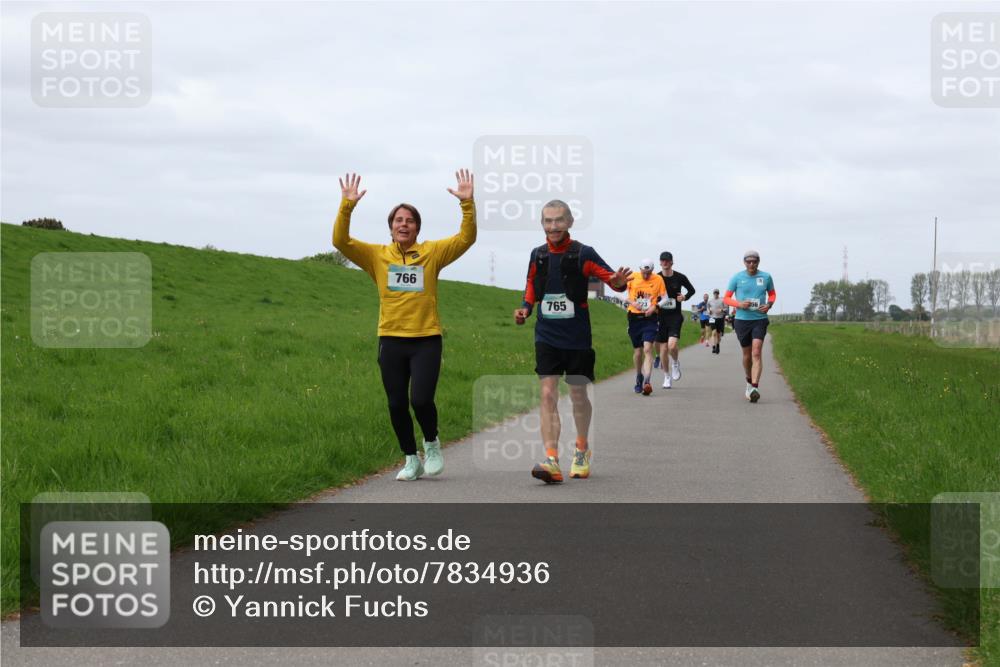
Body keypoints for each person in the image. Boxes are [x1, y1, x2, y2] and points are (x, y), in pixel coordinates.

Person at [333, 170, 476, 480]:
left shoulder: (431, 253)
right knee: (396, 403)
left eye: (409, 220)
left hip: (426, 338)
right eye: (398, 220)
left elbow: (466, 239)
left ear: (417, 227)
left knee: (420, 400)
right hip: (391, 339)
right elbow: (340, 241)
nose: (403, 224)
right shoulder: (376, 256)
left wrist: (467, 204)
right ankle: (411, 459)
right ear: (391, 227)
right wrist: (347, 207)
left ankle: (432, 443)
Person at [514, 200, 629, 484]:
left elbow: (612, 280)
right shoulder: (538, 254)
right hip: (546, 334)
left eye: (559, 220)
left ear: (570, 222)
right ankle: (551, 459)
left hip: (577, 336)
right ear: (542, 224)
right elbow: (531, 284)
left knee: (578, 395)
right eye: (548, 221)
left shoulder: (583, 253)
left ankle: (581, 449)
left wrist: (618, 282)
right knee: (547, 394)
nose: (553, 226)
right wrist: (526, 309)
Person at [723, 250, 776, 403]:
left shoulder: (766, 277)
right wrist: (738, 304)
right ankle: (748, 381)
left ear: (758, 261)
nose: (751, 264)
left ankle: (754, 387)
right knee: (747, 355)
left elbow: (772, 294)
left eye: (754, 261)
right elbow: (726, 298)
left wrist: (769, 305)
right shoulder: (737, 277)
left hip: (759, 319)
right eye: (748, 261)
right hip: (742, 320)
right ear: (744, 262)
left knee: (757, 352)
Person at [624, 259, 667, 396]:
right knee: (638, 352)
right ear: (640, 269)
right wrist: (632, 302)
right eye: (644, 272)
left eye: (648, 273)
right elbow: (618, 293)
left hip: (650, 318)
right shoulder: (632, 277)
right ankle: (639, 376)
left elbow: (665, 298)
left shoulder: (658, 279)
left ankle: (647, 382)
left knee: (648, 349)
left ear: (652, 271)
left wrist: (655, 306)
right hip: (634, 318)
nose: (646, 276)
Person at [653, 251, 695, 388]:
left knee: (671, 346)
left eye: (667, 260)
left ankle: (675, 363)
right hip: (660, 316)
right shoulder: (656, 278)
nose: (665, 262)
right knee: (663, 349)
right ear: (660, 262)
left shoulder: (680, 277)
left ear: (672, 262)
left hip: (675, 316)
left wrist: (685, 297)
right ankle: (666, 376)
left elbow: (691, 290)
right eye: (662, 260)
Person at [706, 288, 727, 354]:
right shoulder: (710, 301)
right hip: (712, 318)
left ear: (718, 293)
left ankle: (717, 346)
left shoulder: (722, 300)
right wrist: (709, 311)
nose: (716, 294)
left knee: (718, 335)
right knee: (714, 333)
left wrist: (721, 310)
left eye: (717, 293)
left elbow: (726, 308)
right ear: (713, 294)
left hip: (720, 318)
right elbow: (708, 307)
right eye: (715, 293)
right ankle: (713, 347)